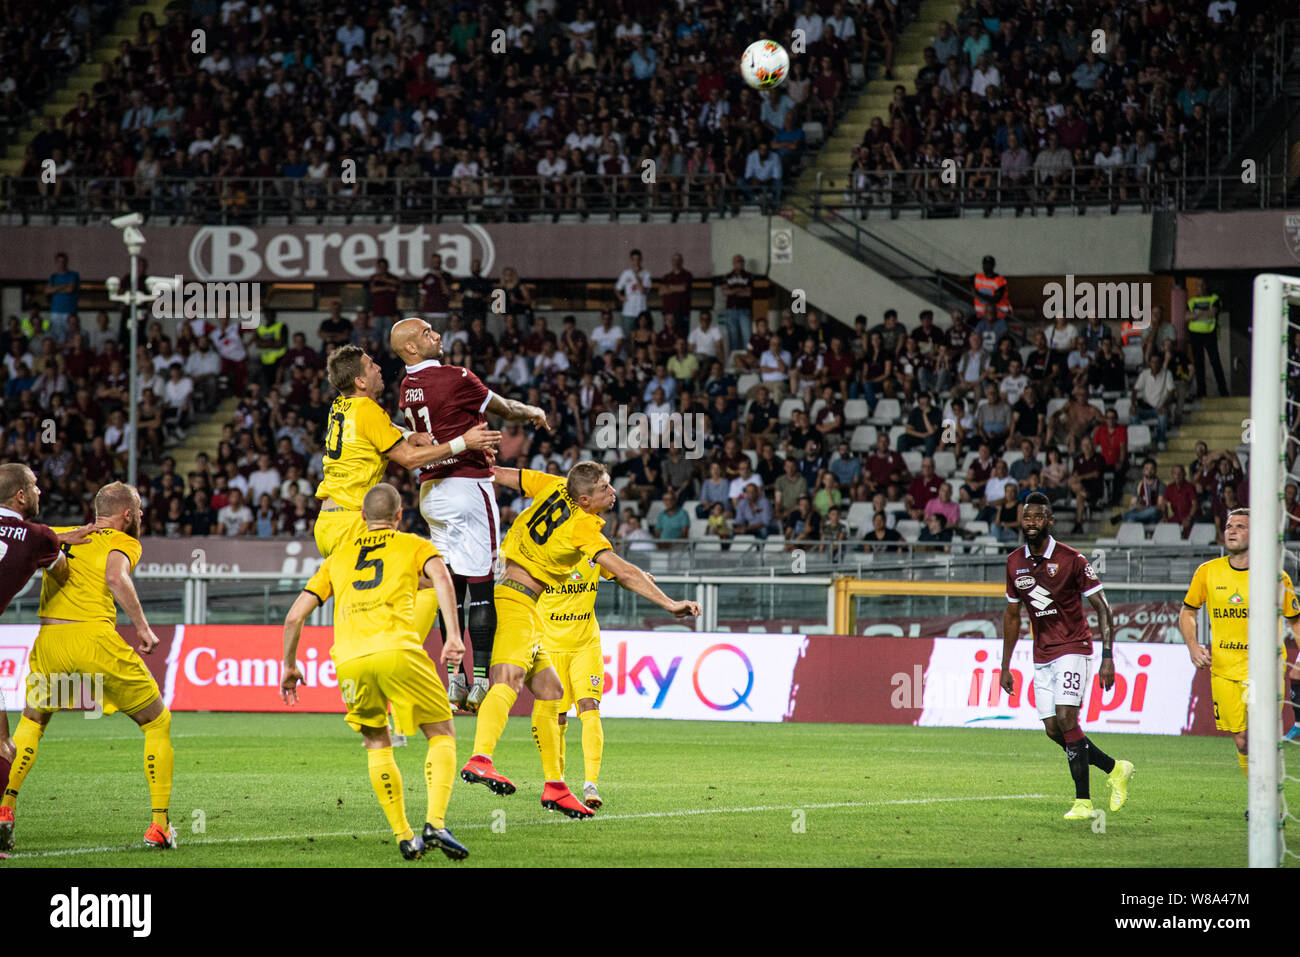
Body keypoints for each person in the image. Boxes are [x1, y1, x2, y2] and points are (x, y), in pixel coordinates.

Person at [464, 462, 700, 814]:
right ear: (586, 499)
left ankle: (555, 786)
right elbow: (623, 572)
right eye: (606, 487)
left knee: (550, 690)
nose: (613, 491)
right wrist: (670, 604)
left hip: (518, 599)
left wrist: (461, 458)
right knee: (509, 681)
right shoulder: (583, 525)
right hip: (516, 603)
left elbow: (499, 473)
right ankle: (481, 758)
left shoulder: (557, 485)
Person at [281, 483, 469, 862]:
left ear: (362, 518)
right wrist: (452, 637)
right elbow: (443, 579)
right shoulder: (414, 545)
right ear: (400, 516)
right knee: (442, 732)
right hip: (398, 650)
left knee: (376, 742)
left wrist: (289, 665)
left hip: (349, 660)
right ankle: (435, 821)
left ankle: (404, 836)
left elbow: (294, 615)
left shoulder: (338, 557)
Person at [0, 483, 178, 853]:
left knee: (32, 722)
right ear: (126, 514)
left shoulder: (57, 537)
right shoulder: (126, 542)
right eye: (140, 509)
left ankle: (5, 809)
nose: (143, 515)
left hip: (50, 642)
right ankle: (159, 826)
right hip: (94, 641)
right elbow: (115, 577)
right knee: (157, 721)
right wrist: (143, 627)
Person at [391, 319, 541, 712]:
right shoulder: (455, 377)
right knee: (482, 583)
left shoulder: (407, 388)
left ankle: (455, 680)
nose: (436, 335)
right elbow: (506, 410)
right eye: (426, 333)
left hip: (431, 492)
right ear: (409, 347)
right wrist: (532, 411)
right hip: (467, 486)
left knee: (452, 585)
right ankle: (479, 682)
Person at [1002, 491, 1135, 821]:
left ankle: (1083, 802)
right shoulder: (1014, 562)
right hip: (1041, 653)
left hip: (1074, 647)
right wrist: (1004, 666)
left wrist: (1108, 657)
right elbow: (1011, 615)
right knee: (1052, 729)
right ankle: (1115, 768)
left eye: (1037, 517)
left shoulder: (1073, 559)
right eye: (1026, 518)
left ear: (1050, 521)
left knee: (1066, 718)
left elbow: (1103, 609)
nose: (1031, 523)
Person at [1180, 509, 1300, 787]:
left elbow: (1295, 621)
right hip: (1223, 670)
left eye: (1240, 526)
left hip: (1265, 669)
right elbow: (1187, 611)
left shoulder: (1275, 577)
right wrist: (1193, 645)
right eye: (1229, 526)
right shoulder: (1208, 572)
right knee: (1243, 741)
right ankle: (1258, 794)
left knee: (1262, 734)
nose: (1231, 531)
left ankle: (1267, 799)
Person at [1186, 292, 1228, 399]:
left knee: (1215, 362)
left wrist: (1195, 315)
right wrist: (1202, 313)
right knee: (1199, 364)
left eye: (1202, 285)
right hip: (1194, 334)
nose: (1200, 288)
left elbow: (1212, 314)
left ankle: (1223, 392)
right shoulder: (1192, 301)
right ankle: (1201, 393)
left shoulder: (1214, 298)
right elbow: (1186, 317)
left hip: (1209, 333)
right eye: (1198, 285)